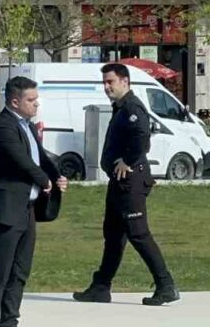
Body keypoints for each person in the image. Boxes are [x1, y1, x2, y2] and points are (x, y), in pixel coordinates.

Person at [73, 63, 180, 307]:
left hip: (131, 182)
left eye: (110, 82)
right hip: (119, 182)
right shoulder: (120, 108)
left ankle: (166, 286)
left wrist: (127, 161)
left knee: (138, 233)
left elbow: (142, 138)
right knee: (113, 235)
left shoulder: (132, 107)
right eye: (104, 82)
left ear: (125, 81)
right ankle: (100, 287)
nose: (106, 87)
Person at [0, 76, 68, 327]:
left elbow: (40, 157)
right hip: (5, 210)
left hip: (26, 209)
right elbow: (22, 161)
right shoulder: (2, 127)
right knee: (0, 271)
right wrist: (44, 180)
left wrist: (57, 176)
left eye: (36, 99)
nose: (36, 104)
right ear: (15, 101)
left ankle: (9, 323)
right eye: (31, 100)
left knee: (19, 270)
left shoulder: (25, 125)